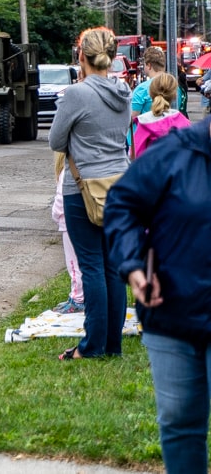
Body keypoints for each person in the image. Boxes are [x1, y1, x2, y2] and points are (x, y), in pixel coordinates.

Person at [106, 116, 211, 474]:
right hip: (171, 313)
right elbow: (122, 203)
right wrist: (133, 266)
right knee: (179, 421)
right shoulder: (174, 152)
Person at [48, 27, 130, 360]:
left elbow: (55, 141)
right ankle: (113, 344)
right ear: (111, 57)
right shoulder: (124, 89)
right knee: (113, 267)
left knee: (92, 267)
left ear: (81, 55)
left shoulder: (77, 94)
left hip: (83, 188)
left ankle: (92, 345)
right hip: (120, 183)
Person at [51, 153, 84, 314]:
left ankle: (77, 298)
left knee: (73, 263)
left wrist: (56, 216)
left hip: (67, 223)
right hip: (83, 220)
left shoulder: (67, 173)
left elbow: (59, 200)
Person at [131, 72, 190, 159]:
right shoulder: (184, 122)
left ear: (151, 93)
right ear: (175, 95)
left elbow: (135, 154)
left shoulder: (144, 123)